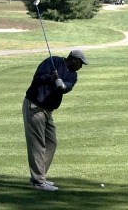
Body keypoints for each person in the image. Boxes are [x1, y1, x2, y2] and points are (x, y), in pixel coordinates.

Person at [22, 50, 89, 191]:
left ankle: (39, 177)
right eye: (80, 63)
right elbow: (37, 78)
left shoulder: (73, 74)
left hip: (48, 111)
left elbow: (68, 87)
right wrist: (50, 78)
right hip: (35, 106)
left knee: (52, 143)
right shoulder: (53, 61)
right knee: (38, 145)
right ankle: (39, 182)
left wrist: (62, 85)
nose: (81, 67)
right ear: (74, 59)